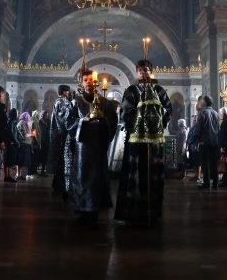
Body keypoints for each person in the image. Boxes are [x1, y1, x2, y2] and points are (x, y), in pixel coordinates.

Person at [114, 59, 172, 226]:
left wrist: (157, 118)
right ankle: (133, 212)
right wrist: (140, 115)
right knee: (136, 174)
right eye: (140, 70)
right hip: (136, 141)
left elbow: (168, 109)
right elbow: (125, 113)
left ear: (151, 71)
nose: (143, 73)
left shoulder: (159, 90)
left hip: (155, 142)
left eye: (146, 70)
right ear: (137, 72)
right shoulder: (132, 91)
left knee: (154, 175)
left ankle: (153, 211)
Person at [64, 69, 119, 226]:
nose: (89, 82)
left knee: (97, 178)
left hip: (98, 146)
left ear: (96, 82)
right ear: (81, 83)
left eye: (91, 79)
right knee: (82, 178)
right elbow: (68, 122)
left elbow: (112, 121)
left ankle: (94, 211)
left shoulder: (105, 103)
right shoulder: (76, 102)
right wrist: (83, 121)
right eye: (85, 80)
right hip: (82, 147)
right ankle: (82, 209)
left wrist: (103, 122)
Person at [50, 85, 73, 194]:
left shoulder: (61, 101)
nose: (70, 93)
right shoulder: (61, 102)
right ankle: (60, 185)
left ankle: (58, 184)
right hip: (61, 134)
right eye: (68, 91)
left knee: (61, 160)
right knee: (62, 160)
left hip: (60, 134)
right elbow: (63, 118)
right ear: (64, 92)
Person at [194, 96, 220, 190]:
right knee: (214, 163)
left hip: (204, 142)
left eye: (202, 101)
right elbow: (218, 128)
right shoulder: (216, 113)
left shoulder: (202, 113)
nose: (201, 103)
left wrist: (196, 140)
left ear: (204, 103)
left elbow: (199, 128)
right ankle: (215, 183)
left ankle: (206, 183)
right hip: (214, 142)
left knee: (205, 163)